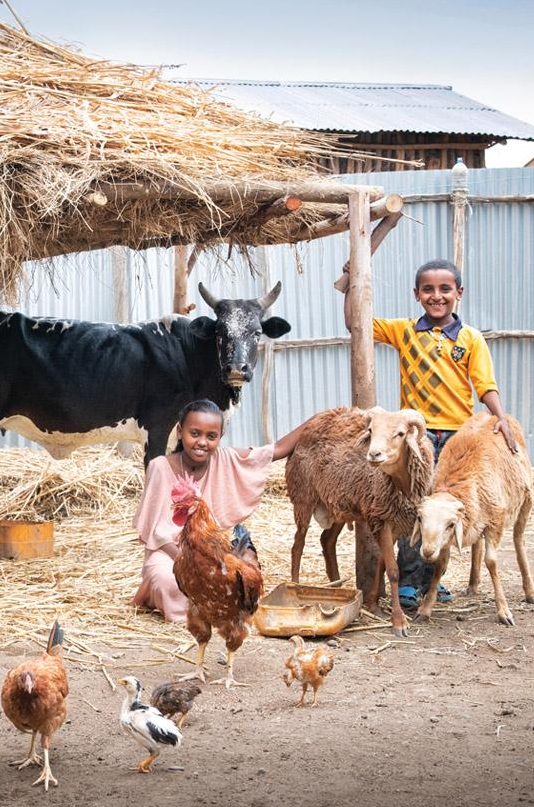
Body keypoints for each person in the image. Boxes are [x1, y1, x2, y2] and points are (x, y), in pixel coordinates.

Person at [342, 257, 517, 610]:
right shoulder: (405, 331)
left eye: (445, 289)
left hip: (456, 439)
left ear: (459, 293)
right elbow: (356, 324)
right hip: (416, 440)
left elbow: (484, 385)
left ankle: (432, 579)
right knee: (413, 508)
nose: (437, 296)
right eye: (428, 290)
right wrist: (349, 283)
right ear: (417, 294)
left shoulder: (470, 339)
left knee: (443, 511)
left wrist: (501, 420)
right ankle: (407, 581)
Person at [132, 399, 309, 623]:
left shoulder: (226, 459)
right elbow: (157, 532)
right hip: (171, 553)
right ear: (179, 431)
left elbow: (277, 450)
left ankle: (223, 609)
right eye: (194, 433)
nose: (202, 442)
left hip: (216, 549)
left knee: (244, 577)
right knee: (168, 583)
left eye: (211, 436)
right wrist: (194, 566)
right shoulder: (159, 466)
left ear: (220, 437)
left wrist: (316, 420)